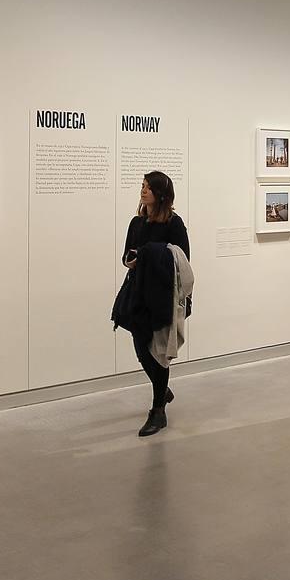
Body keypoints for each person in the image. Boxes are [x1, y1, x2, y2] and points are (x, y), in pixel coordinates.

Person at [113, 171, 190, 438]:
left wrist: (151, 256)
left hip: (163, 296)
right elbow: (126, 254)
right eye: (142, 186)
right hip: (139, 292)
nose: (143, 191)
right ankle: (163, 389)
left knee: (159, 353)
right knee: (142, 349)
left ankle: (158, 410)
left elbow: (183, 260)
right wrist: (131, 261)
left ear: (161, 194)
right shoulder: (137, 222)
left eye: (148, 188)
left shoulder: (174, 223)